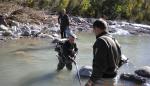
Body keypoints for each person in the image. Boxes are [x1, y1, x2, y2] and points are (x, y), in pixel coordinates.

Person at [85, 19, 123, 86]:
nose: (93, 31)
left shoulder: (101, 41)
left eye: (93, 29)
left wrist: (90, 81)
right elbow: (120, 60)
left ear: (96, 28)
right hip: (114, 78)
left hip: (103, 80)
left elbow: (99, 65)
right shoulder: (113, 39)